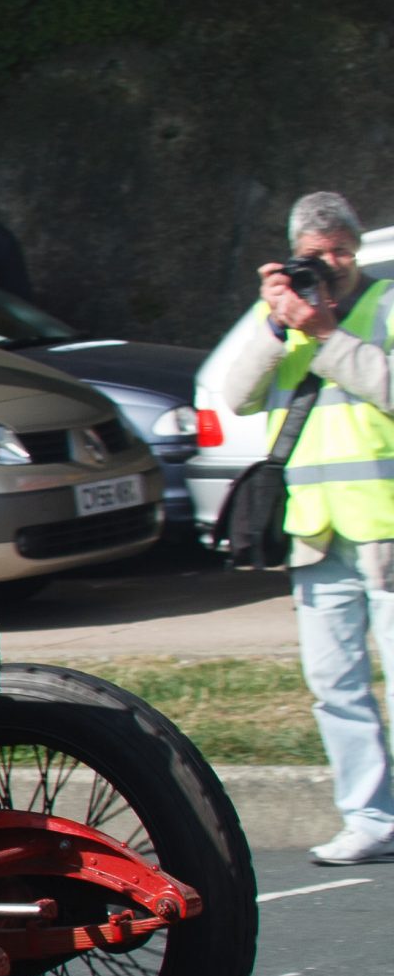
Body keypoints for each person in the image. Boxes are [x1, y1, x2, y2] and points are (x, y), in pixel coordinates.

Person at [209, 192, 394, 864]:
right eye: (316, 254)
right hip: (315, 530)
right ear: (294, 255)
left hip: (385, 524)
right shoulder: (279, 314)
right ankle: (368, 818)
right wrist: (275, 323)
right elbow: (235, 394)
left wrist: (324, 334)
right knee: (334, 684)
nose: (332, 263)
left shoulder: (385, 307)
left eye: (342, 249)